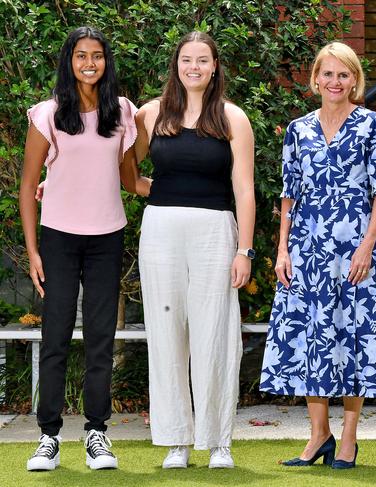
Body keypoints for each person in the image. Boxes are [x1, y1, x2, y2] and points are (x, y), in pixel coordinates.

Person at [259, 41, 376, 469]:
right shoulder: (298, 129)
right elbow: (288, 193)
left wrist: (367, 246)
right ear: (315, 79)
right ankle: (319, 434)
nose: (335, 82)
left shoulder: (375, 126)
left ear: (355, 80)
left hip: (354, 247)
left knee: (351, 335)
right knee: (309, 335)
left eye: (344, 74)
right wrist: (282, 248)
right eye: (328, 74)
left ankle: (349, 440)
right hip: (305, 246)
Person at [131, 31, 255, 469]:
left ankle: (218, 440)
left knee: (216, 334)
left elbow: (244, 190)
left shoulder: (233, 119)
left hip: (215, 232)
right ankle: (176, 441)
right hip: (161, 231)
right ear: (177, 65)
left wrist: (245, 250)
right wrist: (152, 189)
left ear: (215, 66)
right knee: (166, 336)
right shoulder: (151, 114)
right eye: (187, 60)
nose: (195, 67)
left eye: (203, 60)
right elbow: (125, 168)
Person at [20, 26, 139, 471]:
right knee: (55, 339)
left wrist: (177, 189)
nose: (90, 63)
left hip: (108, 238)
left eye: (98, 56)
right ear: (69, 61)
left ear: (107, 62)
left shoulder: (122, 111)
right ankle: (48, 437)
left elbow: (129, 176)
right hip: (58, 240)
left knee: (100, 341)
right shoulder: (48, 114)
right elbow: (28, 185)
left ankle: (96, 434)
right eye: (81, 56)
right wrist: (34, 252)